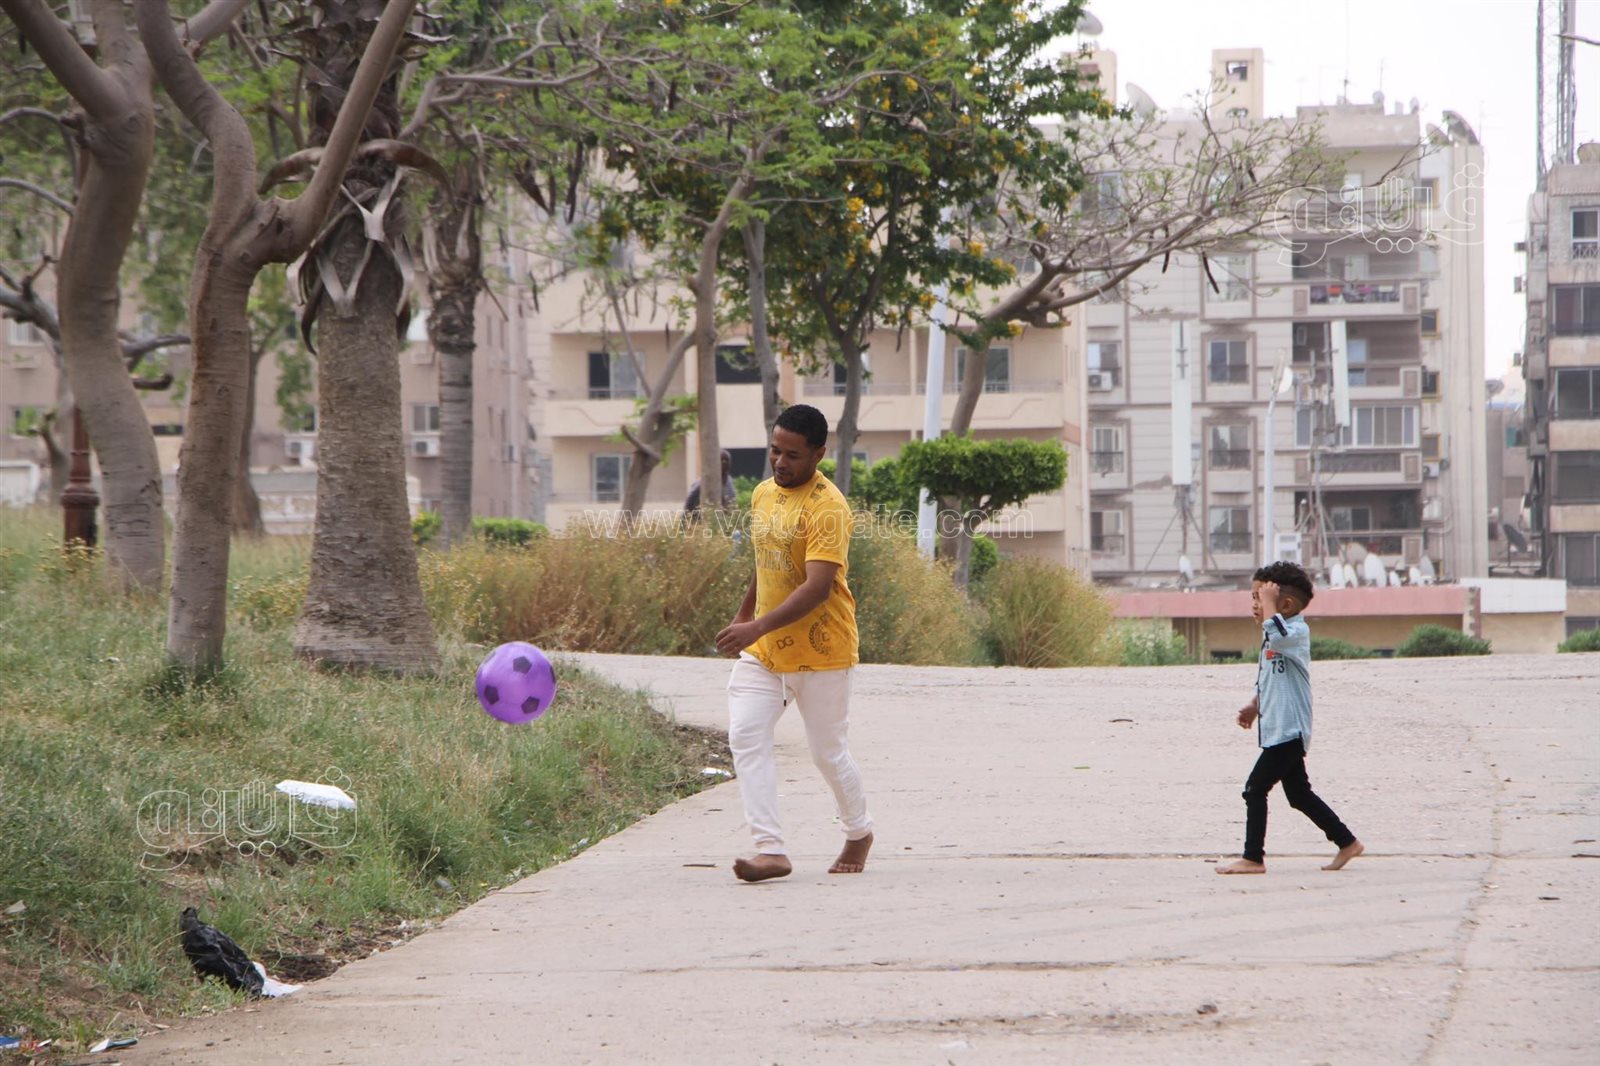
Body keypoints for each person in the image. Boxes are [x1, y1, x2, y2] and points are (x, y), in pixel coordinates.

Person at [714, 405, 872, 882]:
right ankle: (771, 850)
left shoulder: (828, 507)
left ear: (819, 454)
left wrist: (756, 627)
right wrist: (747, 615)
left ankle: (859, 831)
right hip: (764, 655)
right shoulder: (762, 494)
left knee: (827, 752)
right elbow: (768, 561)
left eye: (793, 455)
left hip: (822, 653)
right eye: (774, 451)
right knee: (745, 735)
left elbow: (816, 586)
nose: (780, 463)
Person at [1216, 561, 1363, 875]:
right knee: (1298, 795)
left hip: (1289, 732)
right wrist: (1255, 705)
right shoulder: (1275, 634)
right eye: (1254, 599)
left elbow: (1279, 635)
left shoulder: (1294, 632)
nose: (1255, 606)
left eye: (1260, 598)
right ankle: (1347, 841)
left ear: (1286, 605)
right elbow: (1271, 677)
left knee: (1254, 789)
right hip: (1279, 730)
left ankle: (1253, 858)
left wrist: (1270, 608)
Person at [684, 449, 737, 514]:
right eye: (721, 460)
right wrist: (686, 517)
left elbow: (732, 500)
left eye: (726, 460)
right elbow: (691, 497)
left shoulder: (729, 481)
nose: (724, 462)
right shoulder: (707, 478)